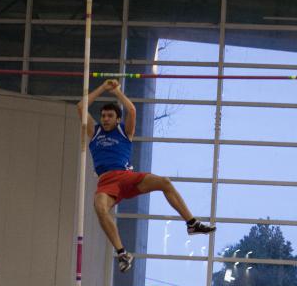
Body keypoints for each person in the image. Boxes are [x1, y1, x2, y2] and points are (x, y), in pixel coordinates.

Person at [77, 79, 215, 272]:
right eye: (103, 116)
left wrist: (116, 92)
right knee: (100, 207)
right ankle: (122, 253)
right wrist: (102, 88)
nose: (105, 119)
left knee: (164, 182)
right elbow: (81, 107)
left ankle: (192, 223)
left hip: (126, 176)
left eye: (110, 116)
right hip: (106, 182)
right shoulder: (95, 131)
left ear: (118, 119)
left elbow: (132, 110)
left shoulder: (124, 131)